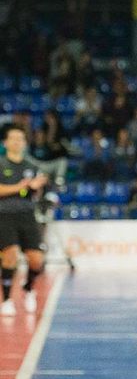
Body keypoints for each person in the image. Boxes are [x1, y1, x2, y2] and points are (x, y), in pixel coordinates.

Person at [0, 124, 49, 316]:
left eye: (20, 139)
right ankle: (7, 300)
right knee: (10, 255)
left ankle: (28, 287)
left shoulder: (32, 166)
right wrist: (20, 187)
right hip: (4, 215)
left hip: (27, 215)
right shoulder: (1, 164)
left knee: (37, 260)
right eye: (13, 138)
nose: (17, 142)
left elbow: (35, 192)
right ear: (5, 142)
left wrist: (36, 187)